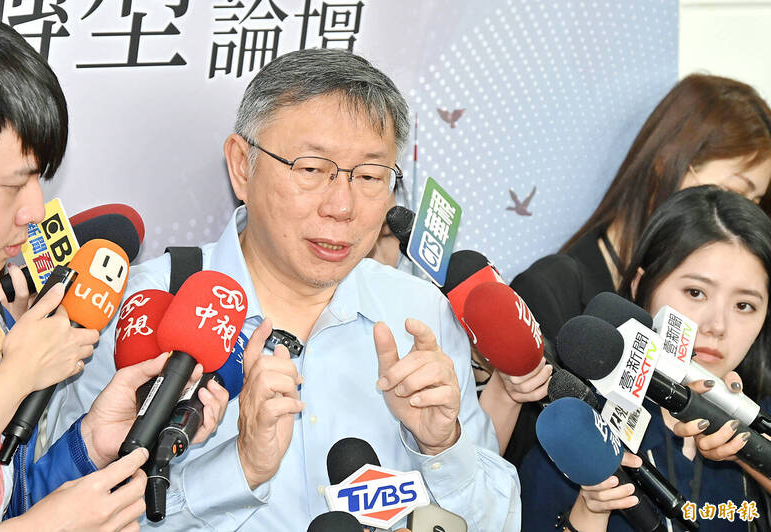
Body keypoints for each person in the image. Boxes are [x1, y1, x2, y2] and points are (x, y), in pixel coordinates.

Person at [46, 47, 521, 531]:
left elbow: (497, 520)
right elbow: (61, 516)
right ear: (241, 166)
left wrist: (442, 448)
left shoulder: (419, 316)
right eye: (312, 169)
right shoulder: (141, 311)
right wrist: (238, 467)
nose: (342, 206)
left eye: (372, 176)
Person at [0, 11, 227, 529]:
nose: (35, 210)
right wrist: (21, 372)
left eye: (40, 179)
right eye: (12, 184)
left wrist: (91, 444)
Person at [483, 74, 771, 467]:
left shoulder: (736, 326)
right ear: (667, 163)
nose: (742, 217)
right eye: (736, 192)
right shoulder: (556, 291)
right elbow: (516, 463)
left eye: (755, 201)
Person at [520, 185, 771, 531]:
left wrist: (754, 455)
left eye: (744, 305)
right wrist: (590, 511)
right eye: (695, 292)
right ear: (641, 286)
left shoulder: (763, 425)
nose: (717, 326)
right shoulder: (580, 426)